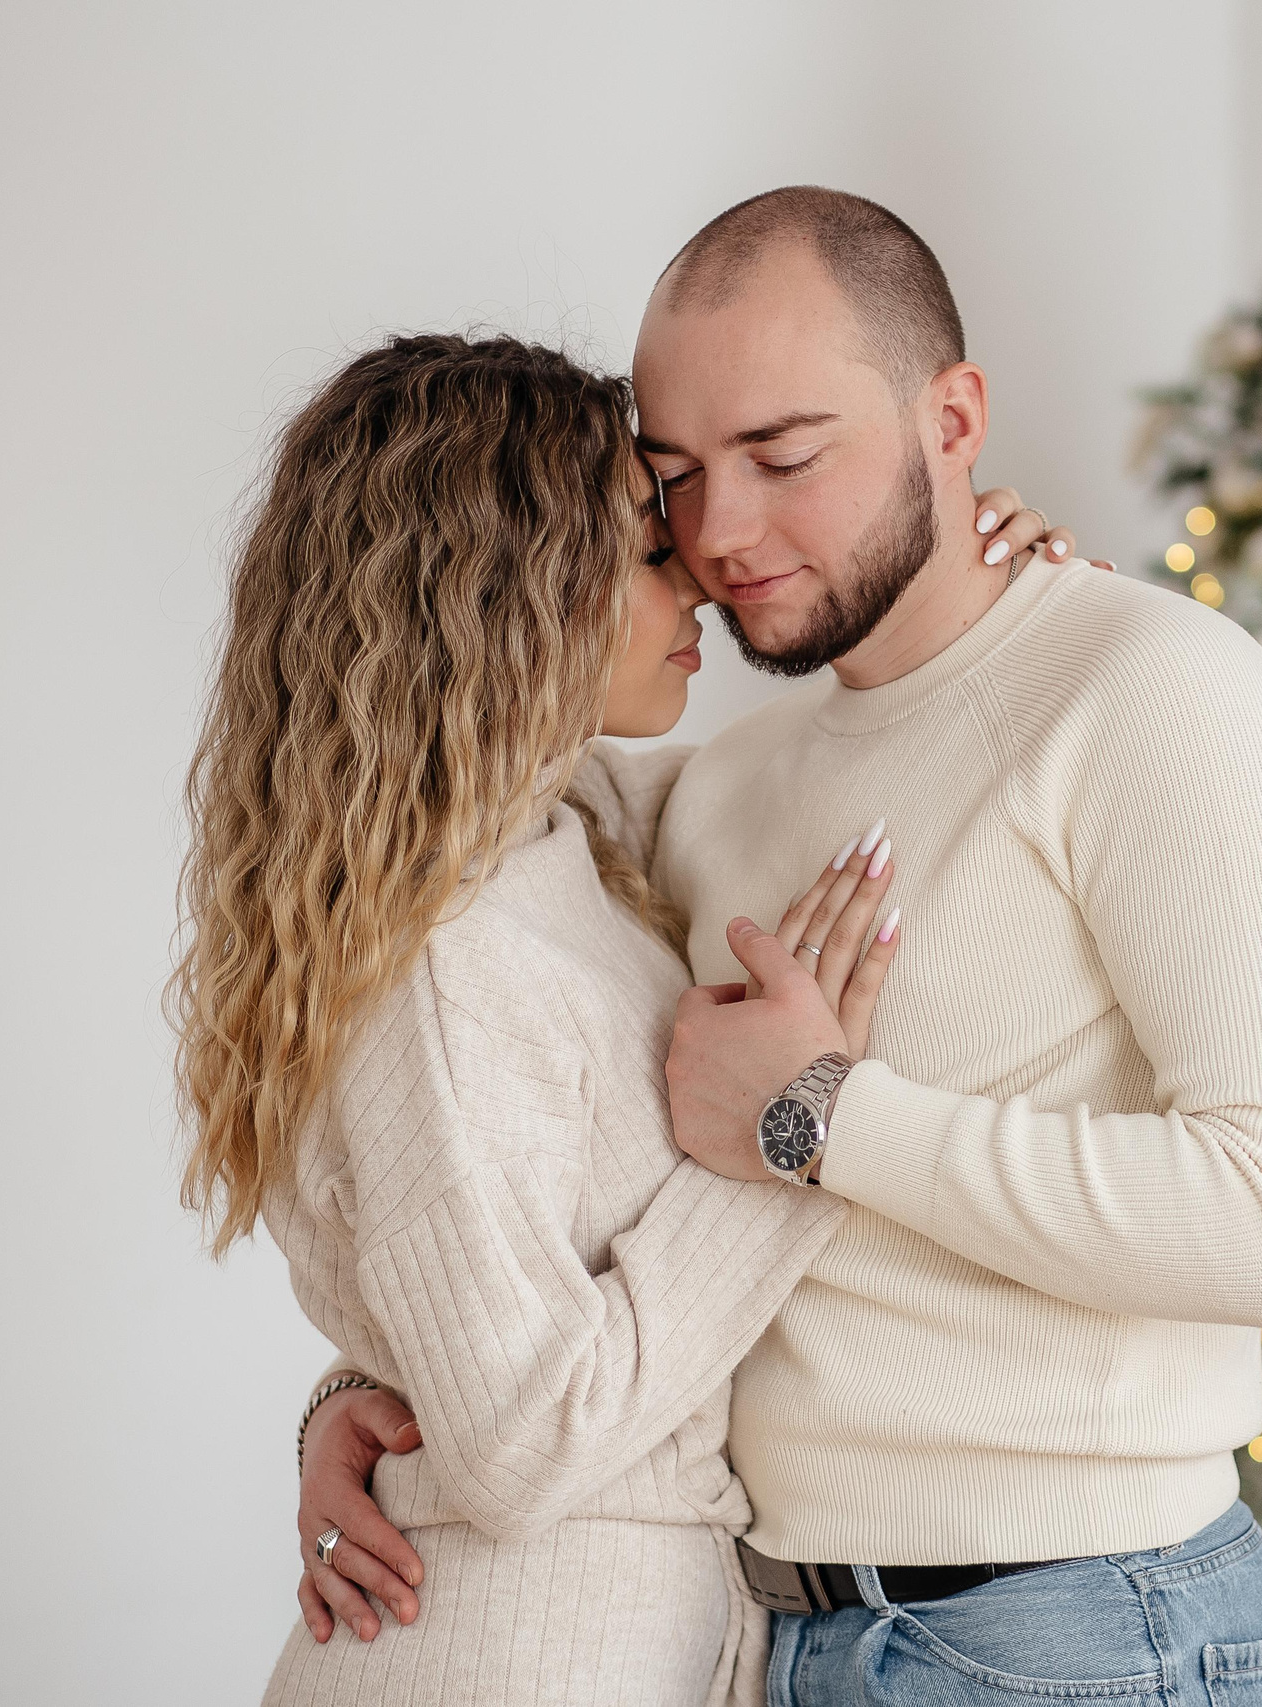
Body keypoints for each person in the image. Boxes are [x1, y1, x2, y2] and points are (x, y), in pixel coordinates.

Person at [302, 187, 1262, 1705]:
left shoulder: (1155, 699)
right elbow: (446, 793)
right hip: (768, 1638)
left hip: (1072, 1638)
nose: (722, 535)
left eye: (786, 455)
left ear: (954, 419)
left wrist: (825, 1120)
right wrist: (381, 1383)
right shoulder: (721, 783)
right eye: (675, 475)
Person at [175, 332, 1077, 1705]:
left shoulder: (562, 837)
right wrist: (790, 1136)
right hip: (510, 1658)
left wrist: (990, 607)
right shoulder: (445, 963)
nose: (704, 574)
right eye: (650, 550)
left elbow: (824, 776)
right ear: (508, 593)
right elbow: (519, 1440)